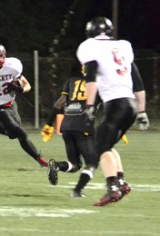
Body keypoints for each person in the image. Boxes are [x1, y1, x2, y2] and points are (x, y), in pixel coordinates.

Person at [76, 17, 149, 206]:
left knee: (100, 148)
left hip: (115, 105)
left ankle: (112, 188)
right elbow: (138, 80)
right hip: (131, 105)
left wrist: (90, 106)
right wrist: (142, 111)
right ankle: (121, 182)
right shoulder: (123, 46)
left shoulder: (88, 46)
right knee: (108, 145)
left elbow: (91, 77)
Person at [41, 60, 100, 197]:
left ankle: (56, 165)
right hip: (83, 125)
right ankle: (77, 191)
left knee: (75, 165)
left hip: (66, 126)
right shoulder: (98, 83)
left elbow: (58, 103)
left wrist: (49, 124)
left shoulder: (71, 81)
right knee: (91, 163)